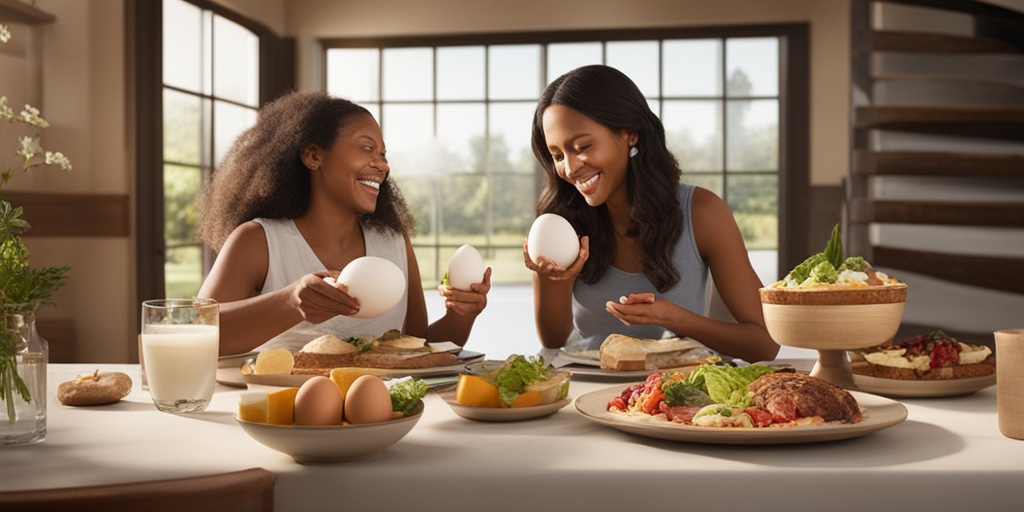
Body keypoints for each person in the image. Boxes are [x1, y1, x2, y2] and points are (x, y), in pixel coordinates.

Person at [197, 91, 491, 356]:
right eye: (366, 148)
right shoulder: (258, 240)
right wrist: (290, 302)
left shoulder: (393, 242)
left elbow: (417, 347)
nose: (382, 165)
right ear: (314, 156)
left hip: (385, 416)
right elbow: (196, 334)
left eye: (383, 154)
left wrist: (461, 315)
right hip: (283, 413)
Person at [523, 65, 778, 363]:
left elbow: (765, 343)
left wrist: (675, 318)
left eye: (583, 146)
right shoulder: (562, 222)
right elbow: (553, 340)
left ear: (629, 133)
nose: (569, 167)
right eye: (557, 156)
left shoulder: (702, 212)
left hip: (673, 393)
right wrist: (552, 278)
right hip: (588, 385)